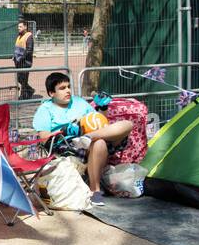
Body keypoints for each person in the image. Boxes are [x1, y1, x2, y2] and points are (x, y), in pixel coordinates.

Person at [33, 72, 133, 207]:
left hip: (91, 135)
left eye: (68, 87)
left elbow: (100, 121)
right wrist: (66, 130)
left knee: (128, 125)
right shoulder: (45, 110)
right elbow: (44, 139)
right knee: (100, 143)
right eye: (62, 88)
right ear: (51, 93)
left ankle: (88, 137)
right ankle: (95, 191)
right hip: (67, 143)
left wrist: (102, 108)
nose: (68, 91)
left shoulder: (79, 102)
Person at [13, 20, 36, 99]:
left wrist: (21, 58)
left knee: (24, 80)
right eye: (18, 27)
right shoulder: (19, 36)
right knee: (20, 79)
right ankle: (30, 90)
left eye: (20, 27)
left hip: (25, 62)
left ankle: (22, 96)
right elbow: (17, 48)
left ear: (25, 27)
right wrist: (15, 57)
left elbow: (29, 50)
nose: (18, 28)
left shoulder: (29, 37)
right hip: (18, 62)